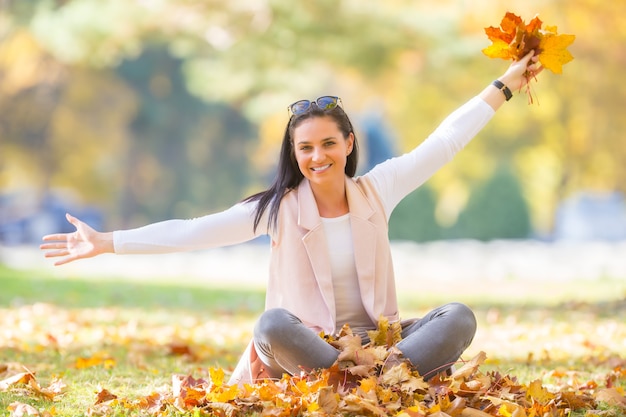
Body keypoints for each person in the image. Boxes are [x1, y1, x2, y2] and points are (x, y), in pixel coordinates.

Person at [41, 51, 542, 385]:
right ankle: (357, 386)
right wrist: (108, 241)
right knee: (272, 323)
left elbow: (445, 141)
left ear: (348, 144)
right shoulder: (275, 209)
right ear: (294, 153)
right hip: (310, 351)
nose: (317, 156)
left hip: (382, 348)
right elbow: (194, 232)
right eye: (305, 147)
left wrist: (504, 85)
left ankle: (377, 380)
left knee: (457, 316)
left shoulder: (378, 190)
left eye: (328, 143)